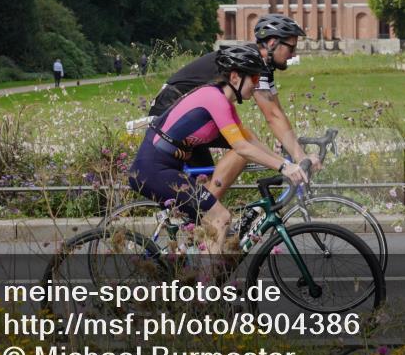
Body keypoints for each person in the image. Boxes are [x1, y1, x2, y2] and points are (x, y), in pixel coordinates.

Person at [129, 44, 308, 254]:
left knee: (212, 221)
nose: (257, 85)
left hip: (166, 167)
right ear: (234, 77)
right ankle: (208, 284)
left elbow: (250, 140)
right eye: (254, 79)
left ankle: (200, 277)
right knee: (220, 218)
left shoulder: (224, 103)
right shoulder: (214, 99)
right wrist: (284, 167)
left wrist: (287, 163)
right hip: (152, 170)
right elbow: (241, 147)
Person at [147, 14, 320, 197]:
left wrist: (297, 154)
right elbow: (272, 116)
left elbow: (277, 112)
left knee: (205, 183)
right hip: (171, 108)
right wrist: (300, 158)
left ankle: (202, 212)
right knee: (244, 146)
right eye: (291, 47)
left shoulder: (261, 66)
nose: (293, 54)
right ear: (272, 43)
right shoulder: (252, 63)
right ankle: (207, 212)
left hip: (191, 115)